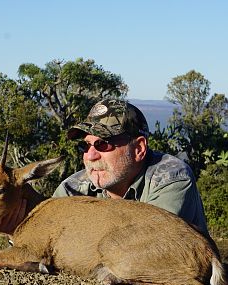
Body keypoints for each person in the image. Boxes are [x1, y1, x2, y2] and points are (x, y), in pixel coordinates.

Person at [53, 98, 209, 235]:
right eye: (85, 145)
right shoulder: (72, 188)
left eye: (103, 144)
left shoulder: (172, 178)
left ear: (138, 149)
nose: (90, 155)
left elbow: (144, 245)